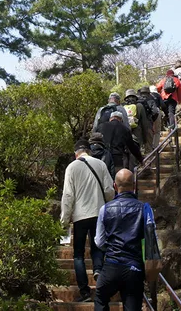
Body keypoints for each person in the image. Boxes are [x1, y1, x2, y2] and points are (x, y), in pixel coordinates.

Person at [60, 138, 116, 302]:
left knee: (78, 255)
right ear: (89, 151)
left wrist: (64, 220)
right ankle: (98, 270)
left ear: (75, 153)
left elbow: (68, 196)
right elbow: (109, 190)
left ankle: (85, 292)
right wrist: (107, 205)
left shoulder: (71, 167)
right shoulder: (100, 164)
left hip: (80, 216)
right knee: (97, 247)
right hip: (99, 213)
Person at [94, 168, 155, 311]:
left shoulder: (105, 209)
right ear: (134, 186)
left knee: (100, 297)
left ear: (115, 186)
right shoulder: (145, 208)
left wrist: (111, 248)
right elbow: (151, 238)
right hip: (134, 268)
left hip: (111, 265)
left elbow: (99, 241)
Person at [98, 111, 144, 177]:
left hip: (102, 157)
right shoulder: (125, 129)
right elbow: (132, 146)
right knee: (117, 178)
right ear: (121, 119)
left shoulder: (101, 126)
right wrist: (140, 159)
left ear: (110, 118)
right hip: (117, 158)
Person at [122, 89, 152, 165]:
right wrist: (145, 138)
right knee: (136, 152)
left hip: (125, 133)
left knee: (127, 153)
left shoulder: (123, 107)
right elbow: (144, 123)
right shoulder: (139, 106)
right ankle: (135, 168)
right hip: (137, 134)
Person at [137, 86, 161, 152]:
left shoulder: (137, 101)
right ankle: (150, 156)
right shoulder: (151, 101)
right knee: (149, 144)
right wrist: (152, 120)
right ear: (148, 93)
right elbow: (155, 112)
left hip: (137, 125)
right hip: (148, 124)